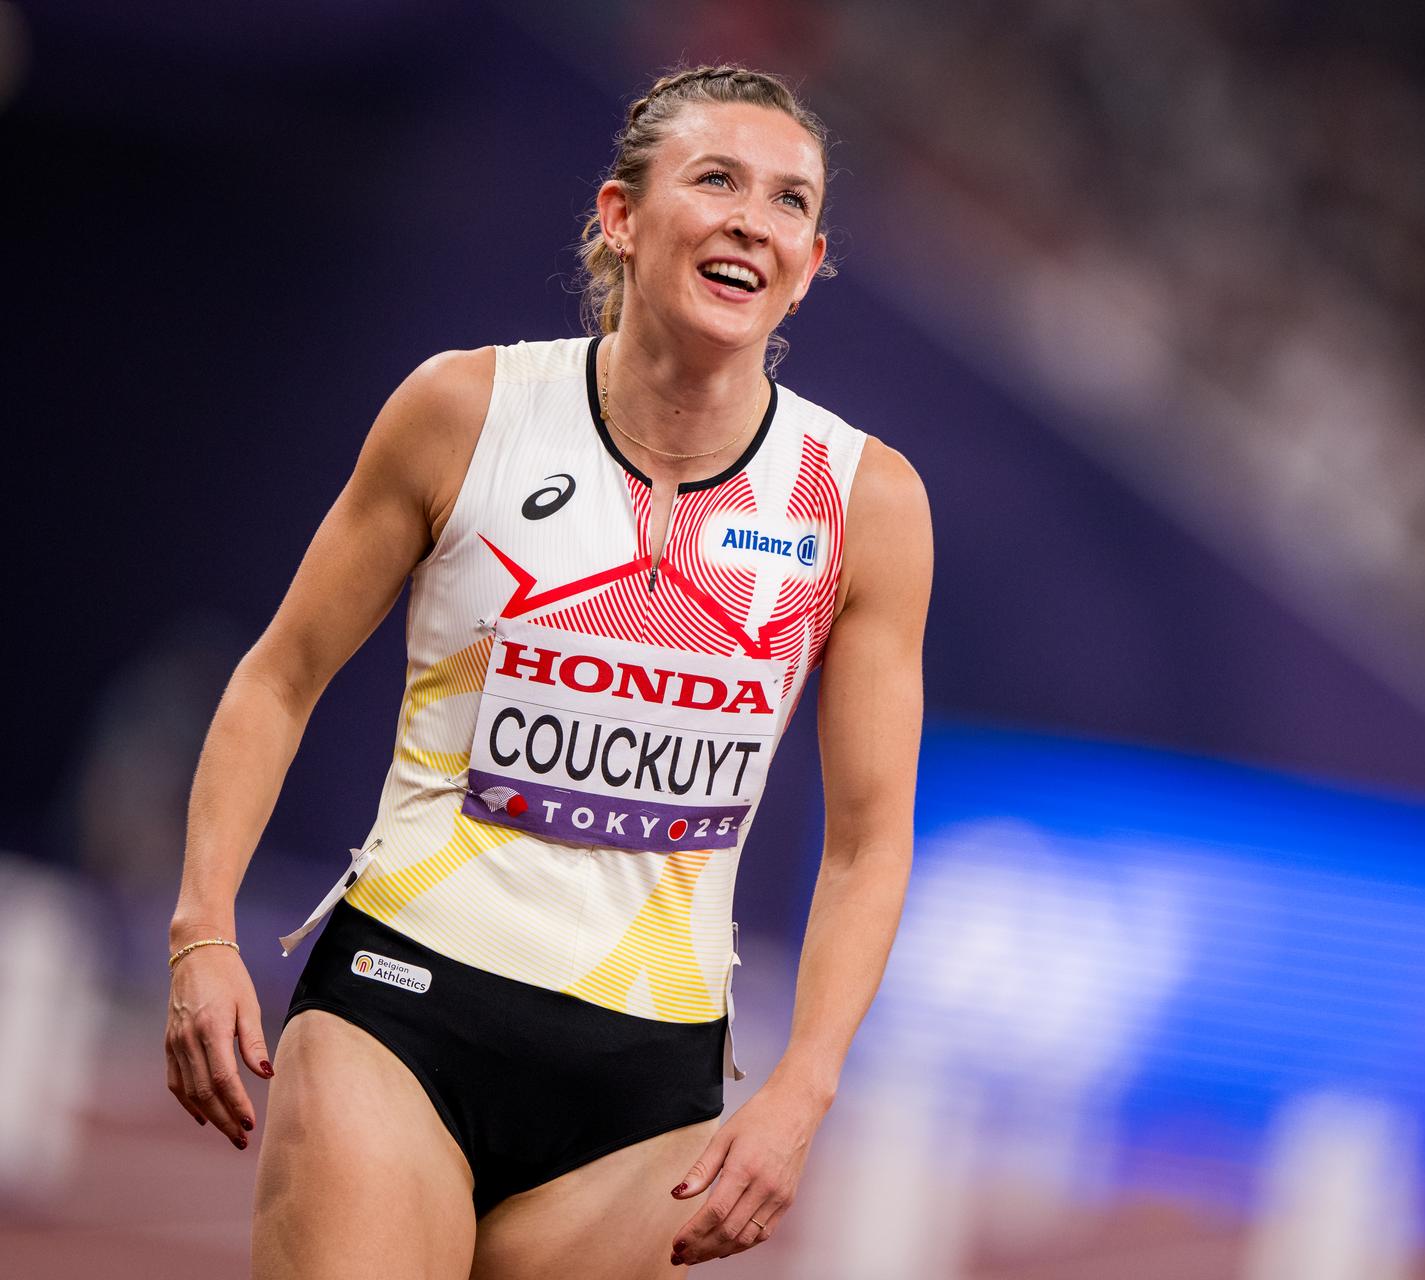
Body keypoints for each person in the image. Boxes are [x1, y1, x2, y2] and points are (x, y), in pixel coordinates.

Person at [163, 65, 932, 1278]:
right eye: (717, 179)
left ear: (811, 255)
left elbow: (869, 839)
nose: (752, 219)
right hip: (404, 1002)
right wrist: (202, 932)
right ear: (620, 219)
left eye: (789, 201)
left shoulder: (864, 502)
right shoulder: (466, 410)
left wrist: (804, 1087)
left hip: (649, 1081)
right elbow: (277, 678)